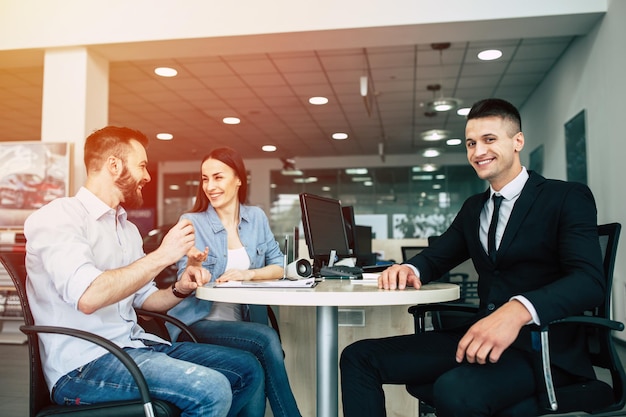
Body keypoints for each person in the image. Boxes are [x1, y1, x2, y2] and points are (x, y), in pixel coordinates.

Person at [340, 98, 606, 417]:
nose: (478, 152)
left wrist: (518, 310)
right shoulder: (474, 208)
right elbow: (436, 258)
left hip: (542, 346)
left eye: (489, 139)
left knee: (454, 390)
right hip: (479, 336)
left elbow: (589, 281)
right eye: (471, 143)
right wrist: (409, 267)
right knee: (358, 356)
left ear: (517, 141)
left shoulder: (565, 197)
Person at [24, 126, 266, 417]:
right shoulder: (58, 217)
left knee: (248, 368)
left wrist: (181, 287)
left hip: (136, 347)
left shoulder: (127, 230)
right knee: (211, 389)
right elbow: (88, 296)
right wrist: (162, 255)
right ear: (114, 165)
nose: (148, 176)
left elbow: (147, 303)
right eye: (141, 166)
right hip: (84, 365)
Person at [167, 146, 303, 417]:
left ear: (238, 179)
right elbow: (186, 275)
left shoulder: (256, 218)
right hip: (197, 323)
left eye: (218, 177)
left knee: (255, 362)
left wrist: (249, 274)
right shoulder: (192, 222)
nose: (210, 186)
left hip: (240, 325)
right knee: (265, 339)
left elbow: (279, 266)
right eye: (205, 179)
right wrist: (193, 267)